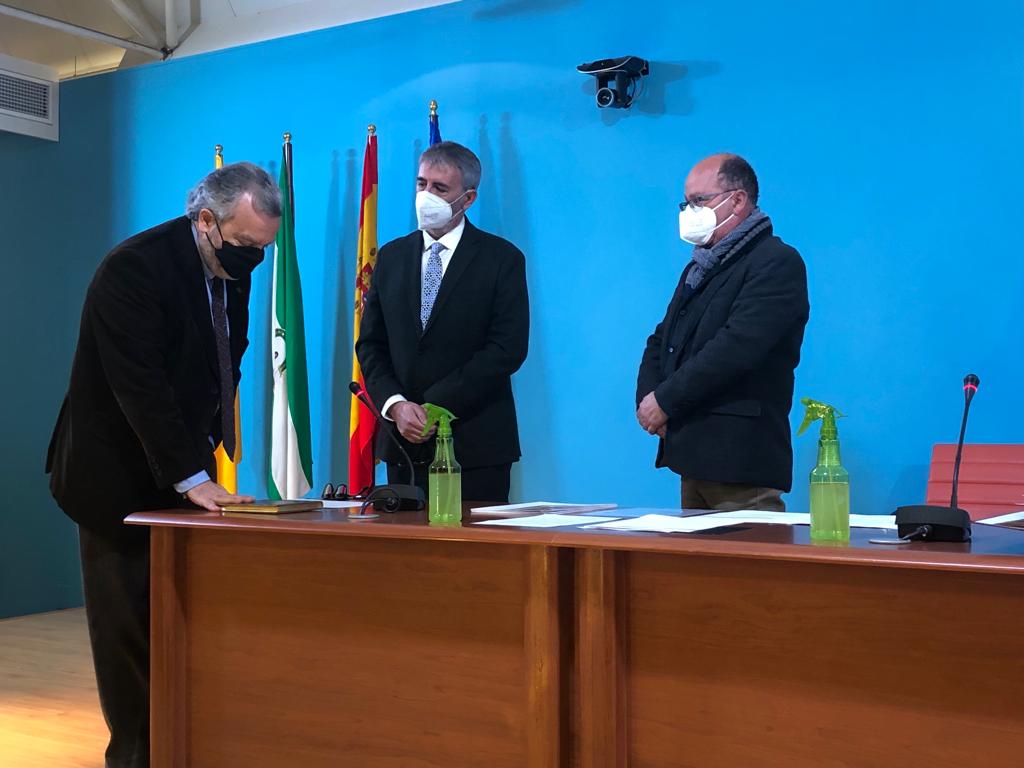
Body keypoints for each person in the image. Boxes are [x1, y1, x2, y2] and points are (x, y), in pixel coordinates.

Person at [45, 162, 281, 768]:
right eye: (245, 244)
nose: (253, 259)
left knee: (183, 621)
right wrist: (192, 476)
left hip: (182, 465)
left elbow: (224, 360)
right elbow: (140, 387)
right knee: (128, 632)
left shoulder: (229, 266)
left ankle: (184, 746)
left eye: (263, 248)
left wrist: (202, 460)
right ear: (206, 221)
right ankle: (134, 756)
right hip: (114, 476)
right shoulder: (134, 268)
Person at [357, 141, 529, 502]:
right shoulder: (392, 256)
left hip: (476, 447)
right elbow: (371, 344)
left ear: (468, 199)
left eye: (440, 188)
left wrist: (435, 405)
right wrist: (396, 405)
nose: (426, 196)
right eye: (421, 184)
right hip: (403, 445)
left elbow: (507, 348)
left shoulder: (502, 259)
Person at [636, 153, 809, 511]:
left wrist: (666, 401)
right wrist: (649, 400)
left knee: (746, 549)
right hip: (691, 454)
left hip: (740, 458)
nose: (689, 212)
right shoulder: (701, 267)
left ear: (738, 200)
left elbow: (736, 348)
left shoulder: (775, 262)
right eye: (686, 203)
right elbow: (663, 339)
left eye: (699, 201)